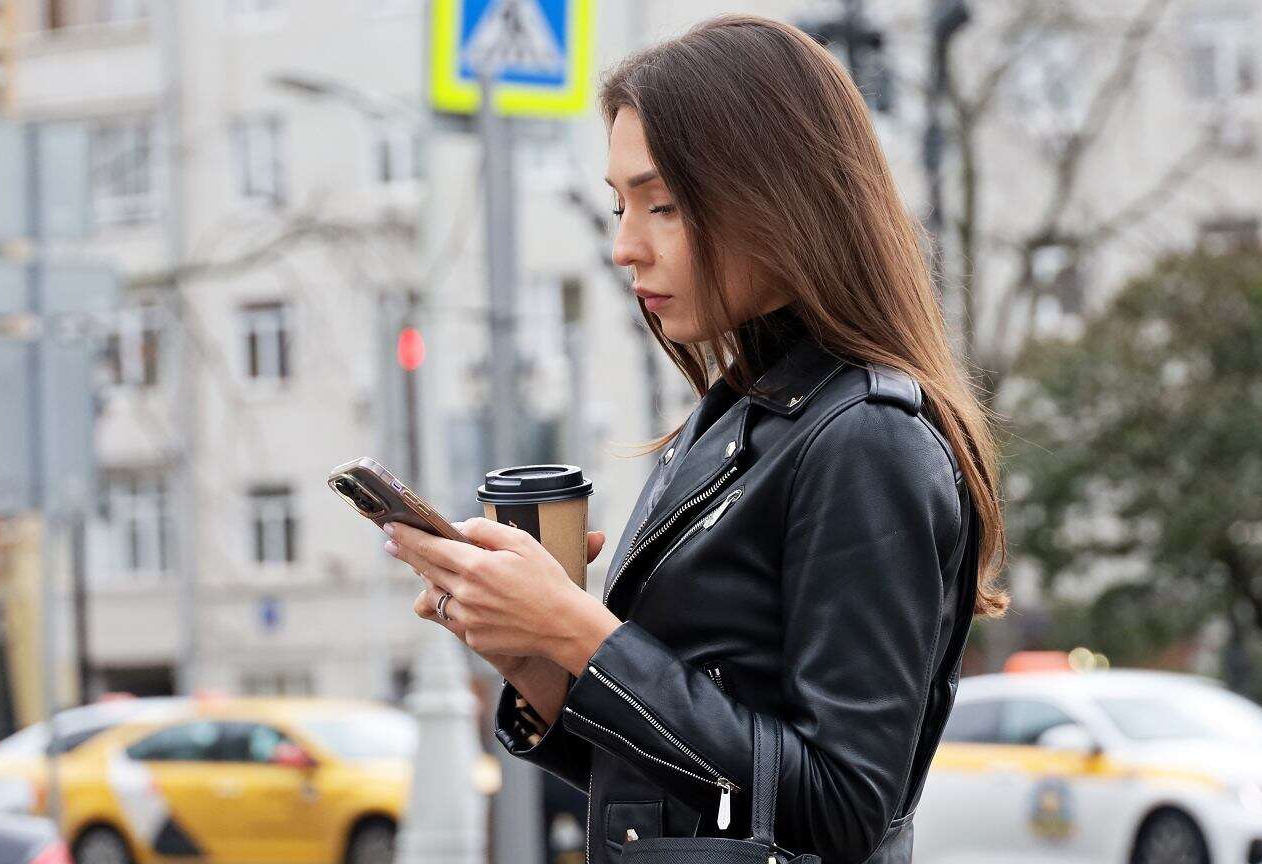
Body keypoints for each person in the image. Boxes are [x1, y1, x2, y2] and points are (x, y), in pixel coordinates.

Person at [383, 14, 1007, 863]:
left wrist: (578, 631)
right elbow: (667, 790)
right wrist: (529, 653)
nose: (622, 247)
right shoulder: (736, 416)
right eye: (618, 205)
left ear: (776, 198)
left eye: (663, 205)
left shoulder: (865, 440)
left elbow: (845, 808)